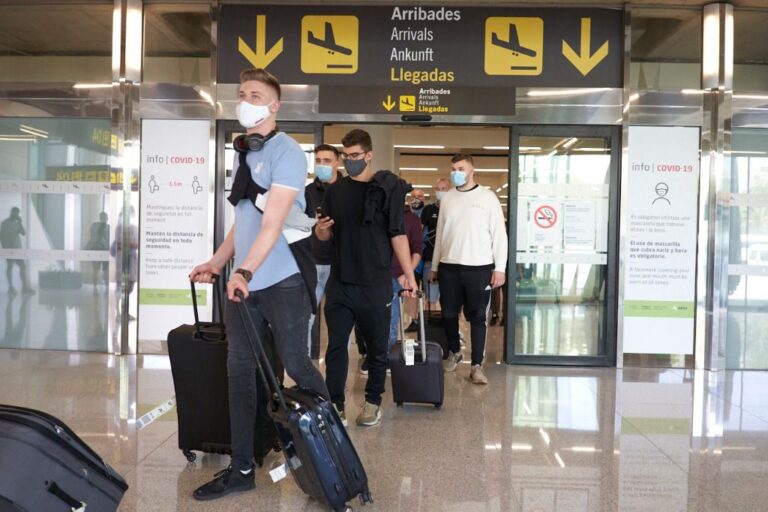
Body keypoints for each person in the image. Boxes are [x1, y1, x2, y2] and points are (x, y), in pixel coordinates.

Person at [189, 68, 329, 501]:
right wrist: (218, 262)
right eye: (241, 94)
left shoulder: (288, 152)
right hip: (244, 285)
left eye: (255, 95)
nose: (245, 101)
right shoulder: (243, 153)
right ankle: (242, 468)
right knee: (239, 373)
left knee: (297, 365)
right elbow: (245, 221)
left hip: (282, 281)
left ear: (274, 105)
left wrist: (245, 271)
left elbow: (273, 223)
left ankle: (329, 446)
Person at [316, 128, 416, 427]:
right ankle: (336, 405)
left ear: (369, 155)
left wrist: (409, 275)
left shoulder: (387, 189)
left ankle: (373, 402)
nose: (350, 161)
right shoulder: (335, 191)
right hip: (341, 282)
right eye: (346, 156)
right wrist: (320, 230)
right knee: (336, 347)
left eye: (355, 155)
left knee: (376, 348)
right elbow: (325, 235)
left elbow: (397, 234)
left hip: (375, 283)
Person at [430, 154, 507, 385]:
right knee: (448, 314)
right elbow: (440, 234)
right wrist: (435, 266)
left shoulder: (487, 197)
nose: (456, 172)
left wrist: (500, 268)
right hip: (449, 267)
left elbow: (499, 235)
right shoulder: (448, 198)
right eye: (453, 168)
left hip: (479, 267)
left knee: (477, 317)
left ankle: (476, 365)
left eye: (461, 168)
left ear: (472, 170)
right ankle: (454, 352)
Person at [304, 144, 341, 359]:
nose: (322, 165)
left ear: (337, 163)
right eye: (318, 160)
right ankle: (305, 368)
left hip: (341, 265)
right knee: (306, 317)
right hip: (314, 262)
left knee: (339, 322)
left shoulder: (348, 189)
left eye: (327, 161)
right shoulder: (308, 192)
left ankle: (337, 369)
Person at [421, 178, 450, 308]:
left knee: (450, 299)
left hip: (450, 261)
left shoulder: (455, 209)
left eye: (443, 189)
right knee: (431, 299)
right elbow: (420, 232)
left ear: (450, 190)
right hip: (430, 258)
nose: (440, 191)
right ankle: (431, 320)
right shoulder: (428, 210)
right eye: (438, 189)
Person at [1, 207, 34, 295]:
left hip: (17, 249)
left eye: (17, 213)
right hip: (9, 249)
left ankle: (24, 287)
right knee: (10, 267)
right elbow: (1, 236)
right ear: (12, 212)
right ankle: (11, 287)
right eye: (15, 213)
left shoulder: (17, 223)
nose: (16, 215)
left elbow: (23, 233)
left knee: (23, 266)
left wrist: (20, 222)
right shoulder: (4, 223)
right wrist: (4, 248)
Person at [85, 212, 110, 287]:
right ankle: (101, 285)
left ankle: (98, 286)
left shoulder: (95, 226)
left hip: (100, 249)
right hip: (101, 249)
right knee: (101, 269)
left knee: (98, 269)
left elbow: (92, 236)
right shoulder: (105, 227)